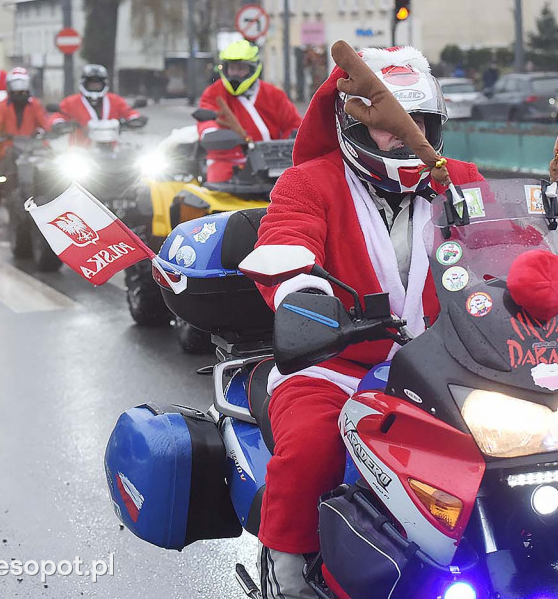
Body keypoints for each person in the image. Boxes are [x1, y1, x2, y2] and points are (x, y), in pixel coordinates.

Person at [250, 46, 482, 598]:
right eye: (389, 124)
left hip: (448, 368)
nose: (404, 134)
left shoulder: (459, 180)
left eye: (418, 122)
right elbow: (286, 245)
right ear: (353, 120)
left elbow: (511, 246)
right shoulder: (309, 182)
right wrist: (304, 300)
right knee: (312, 445)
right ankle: (289, 570)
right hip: (335, 363)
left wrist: (552, 281)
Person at [196, 39, 301, 182]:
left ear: (253, 69)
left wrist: (289, 144)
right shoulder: (214, 93)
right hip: (230, 162)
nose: (234, 74)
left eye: (240, 68)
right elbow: (207, 120)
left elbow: (294, 124)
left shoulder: (274, 94)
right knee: (218, 188)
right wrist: (214, 134)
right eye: (231, 68)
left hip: (274, 164)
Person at [0, 68, 53, 231]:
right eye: (16, 87)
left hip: (31, 151)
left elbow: (45, 122)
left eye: (22, 87)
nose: (19, 91)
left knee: (50, 174)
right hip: (9, 150)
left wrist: (45, 131)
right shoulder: (3, 106)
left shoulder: (34, 104)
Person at [52, 64, 145, 146]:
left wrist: (134, 118)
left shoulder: (115, 100)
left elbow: (128, 111)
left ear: (104, 84)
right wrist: (59, 123)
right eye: (91, 84)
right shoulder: (71, 102)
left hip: (113, 149)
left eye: (98, 84)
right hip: (80, 153)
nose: (94, 86)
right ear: (84, 84)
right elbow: (59, 114)